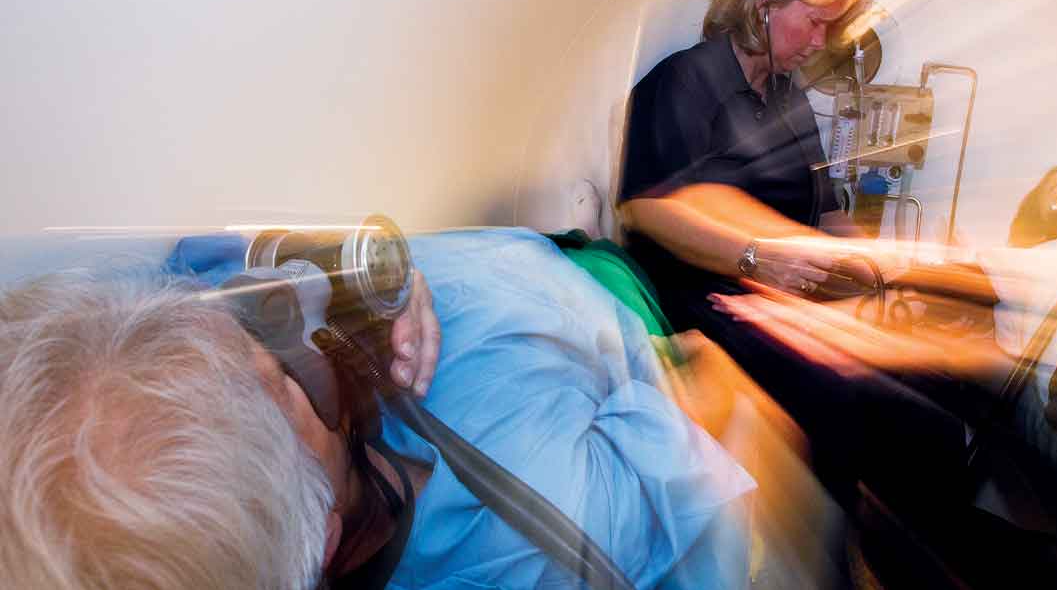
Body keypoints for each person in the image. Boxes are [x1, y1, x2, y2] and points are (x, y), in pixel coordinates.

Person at [0, 227, 754, 589]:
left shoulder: (133, 341)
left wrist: (338, 258)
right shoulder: (549, 527)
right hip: (604, 303)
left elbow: (200, 265)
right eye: (282, 378)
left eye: (239, 317)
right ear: (323, 537)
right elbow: (717, 399)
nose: (295, 319)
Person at [617, 0, 949, 506]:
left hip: (784, 289)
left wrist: (889, 268)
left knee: (930, 384)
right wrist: (756, 256)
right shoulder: (686, 81)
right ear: (764, 5)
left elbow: (826, 210)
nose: (821, 41)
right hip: (708, 294)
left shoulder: (789, 98)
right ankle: (835, 543)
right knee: (839, 393)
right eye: (816, 22)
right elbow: (646, 208)